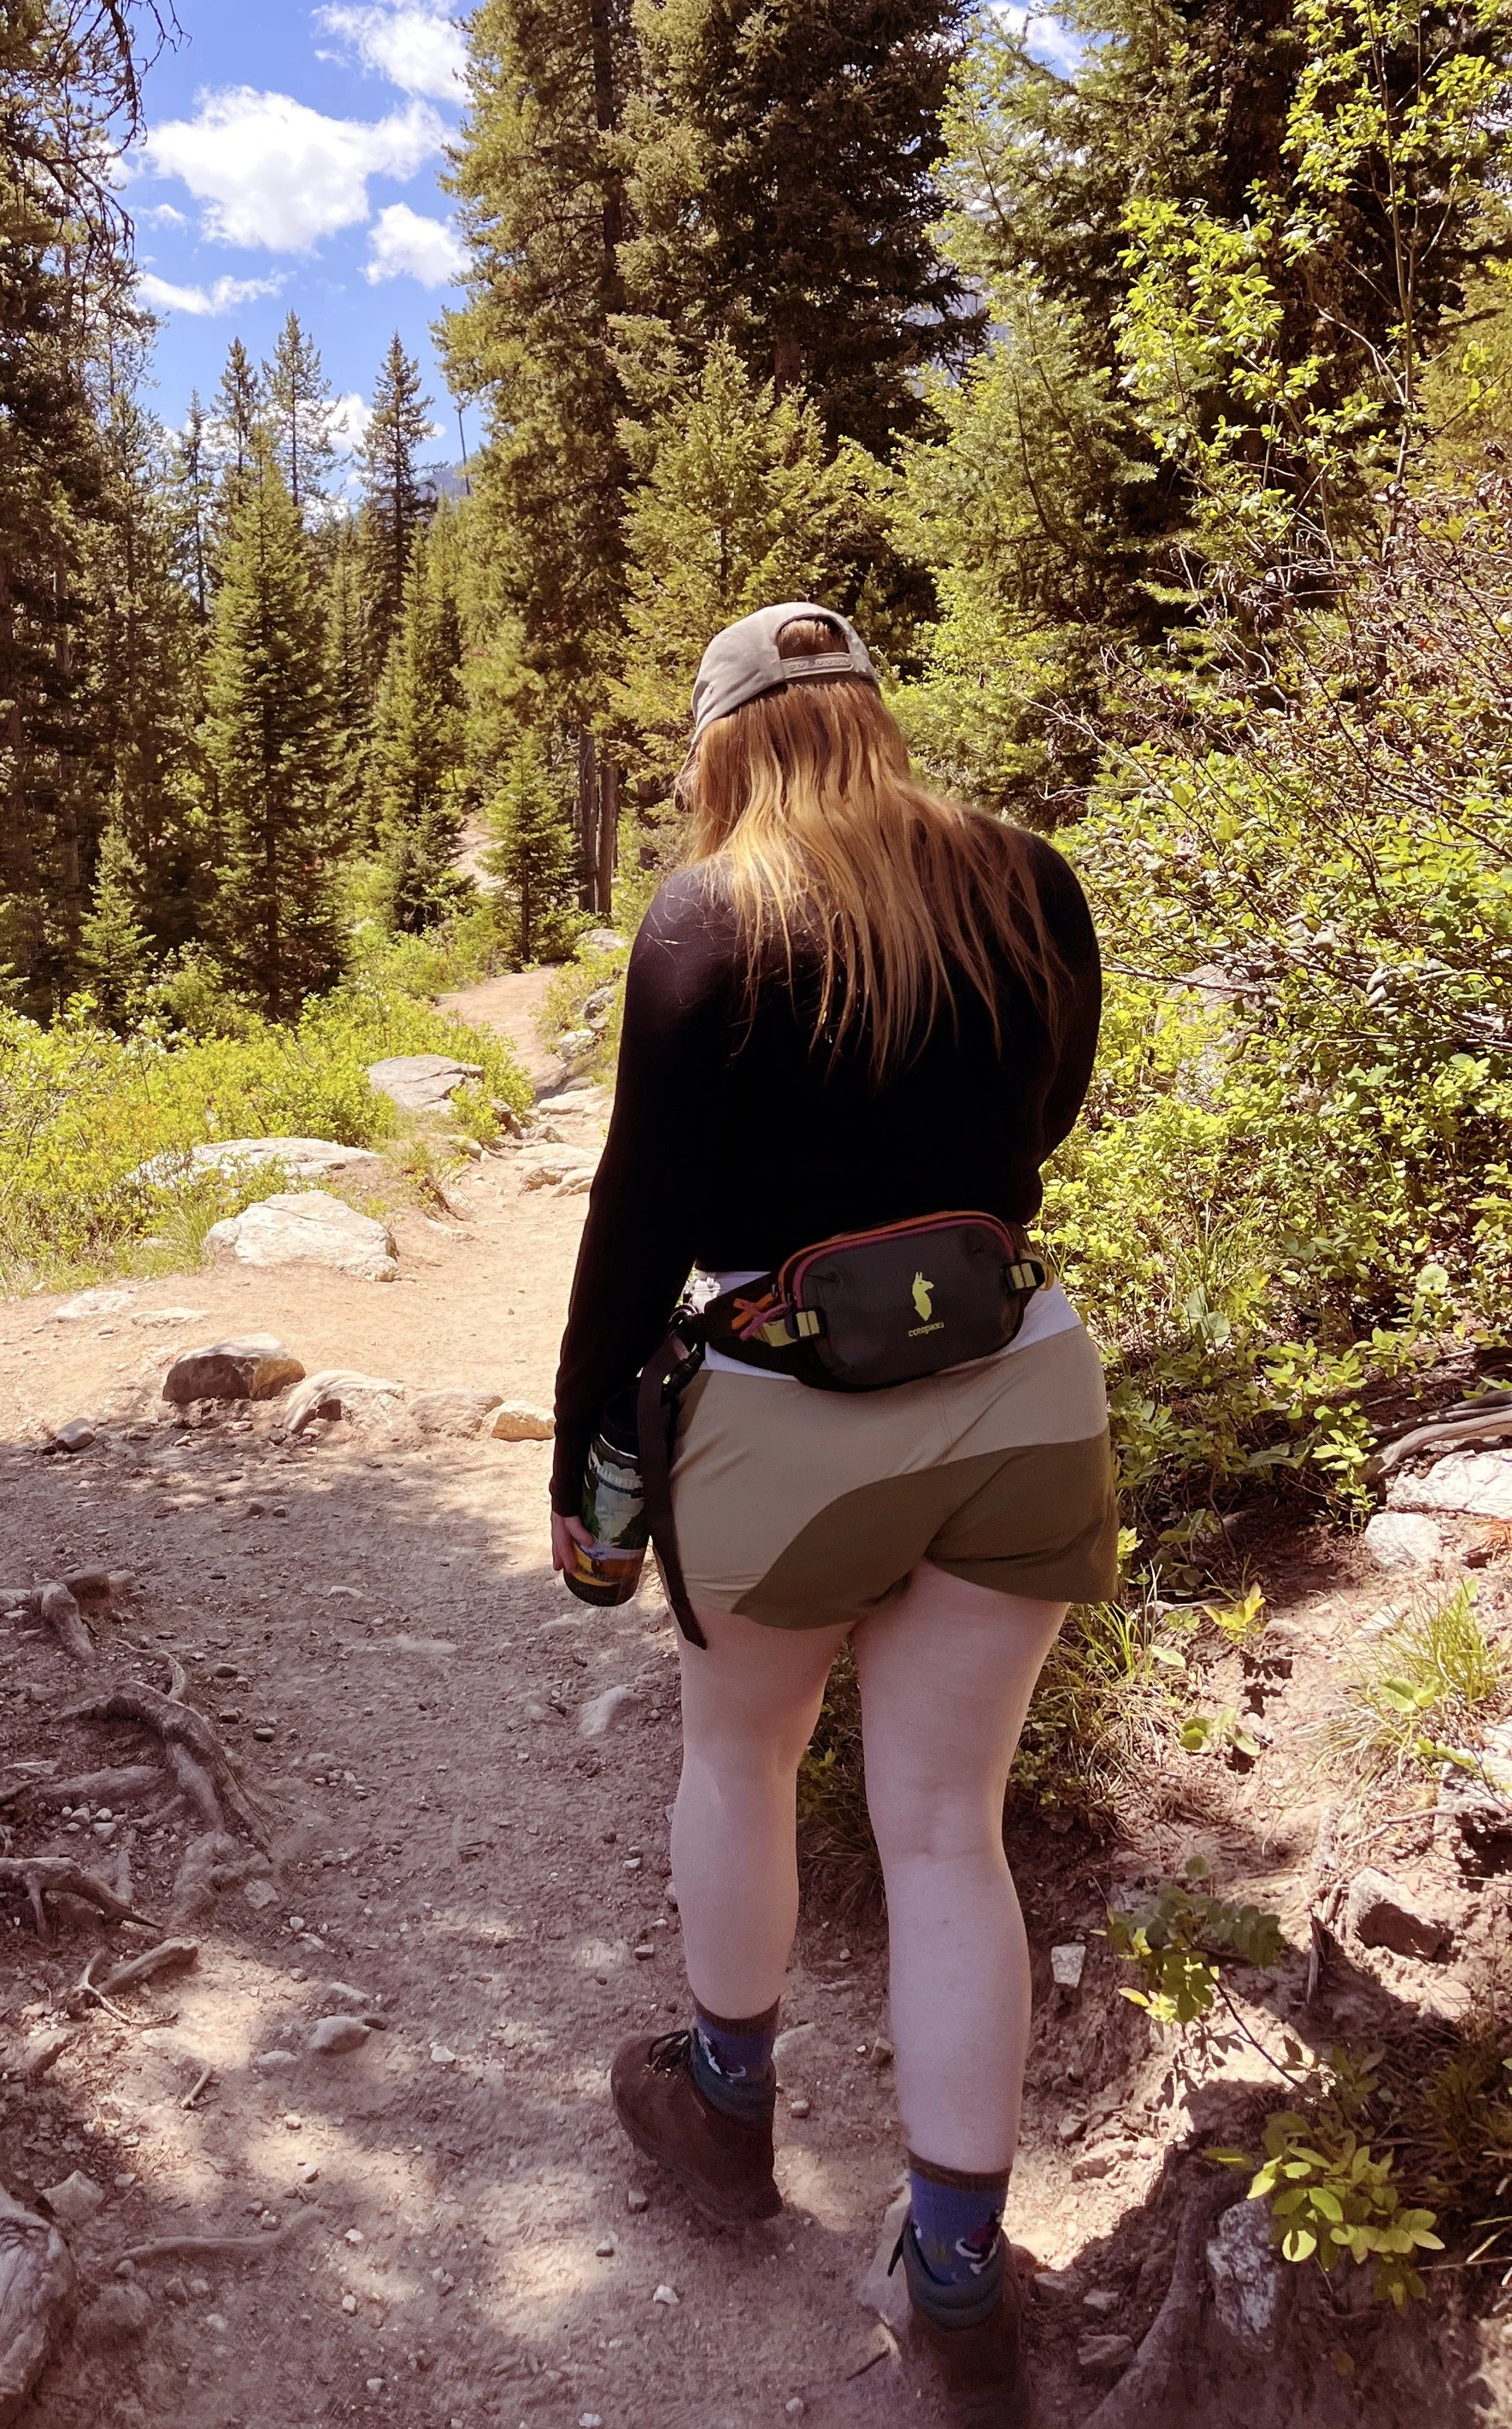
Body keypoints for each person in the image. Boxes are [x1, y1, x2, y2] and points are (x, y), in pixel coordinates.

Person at [550, 604, 1113, 2429]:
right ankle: (952, 2282)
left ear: (724, 747)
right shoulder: (1027, 879)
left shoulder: (707, 917)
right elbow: (1044, 1120)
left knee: (739, 1759)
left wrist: (590, 1479)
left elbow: (639, 1231)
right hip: (1021, 1387)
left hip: (785, 1424)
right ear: (872, 718)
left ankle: (723, 2107)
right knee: (944, 1828)